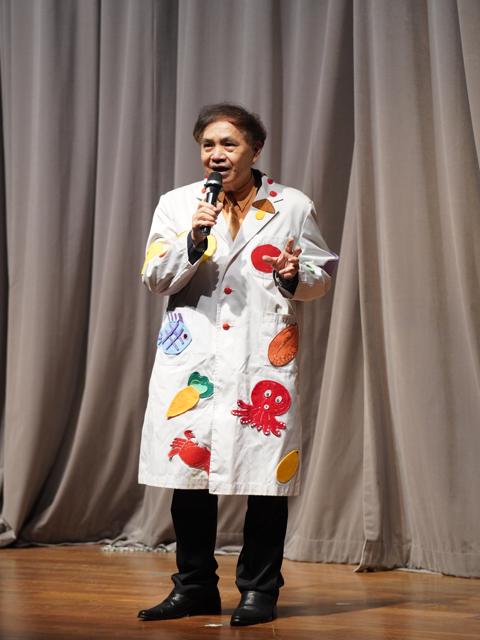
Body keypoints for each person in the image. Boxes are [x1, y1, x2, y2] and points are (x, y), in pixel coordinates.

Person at [137, 103, 337, 626]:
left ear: (255, 149)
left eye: (229, 144)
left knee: (264, 480)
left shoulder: (291, 205)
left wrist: (293, 275)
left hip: (259, 359)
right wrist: (193, 241)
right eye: (208, 144)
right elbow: (155, 277)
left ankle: (259, 590)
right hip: (195, 357)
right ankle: (195, 587)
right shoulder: (178, 205)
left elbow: (319, 278)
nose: (217, 154)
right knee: (189, 476)